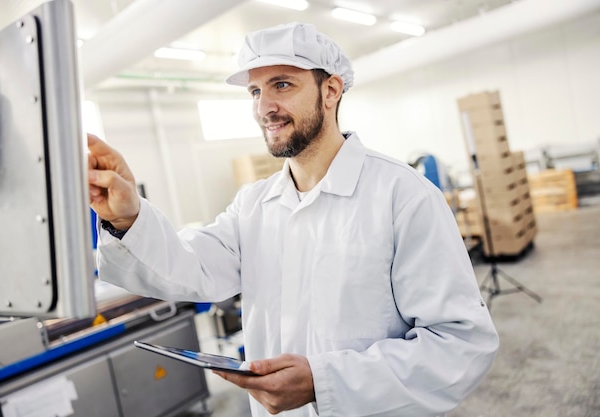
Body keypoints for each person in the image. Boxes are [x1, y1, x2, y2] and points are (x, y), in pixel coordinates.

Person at [88, 22, 499, 417]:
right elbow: (192, 269)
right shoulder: (254, 204)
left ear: (331, 91)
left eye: (282, 84)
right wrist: (129, 217)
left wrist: (325, 381)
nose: (264, 107)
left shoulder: (403, 196)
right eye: (255, 90)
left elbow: (459, 343)